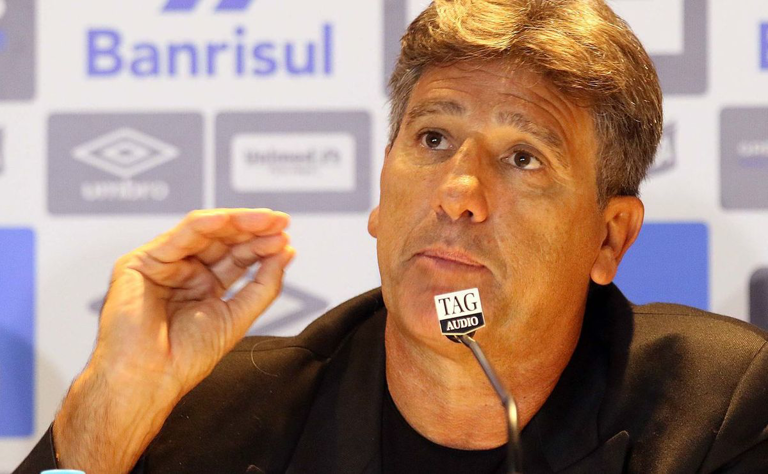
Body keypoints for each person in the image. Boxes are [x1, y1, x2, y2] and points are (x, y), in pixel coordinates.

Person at [15, 1, 768, 473]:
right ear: (382, 187)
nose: (458, 194)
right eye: (434, 138)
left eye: (522, 158)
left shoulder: (718, 409)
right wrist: (109, 413)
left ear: (609, 238)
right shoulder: (214, 412)